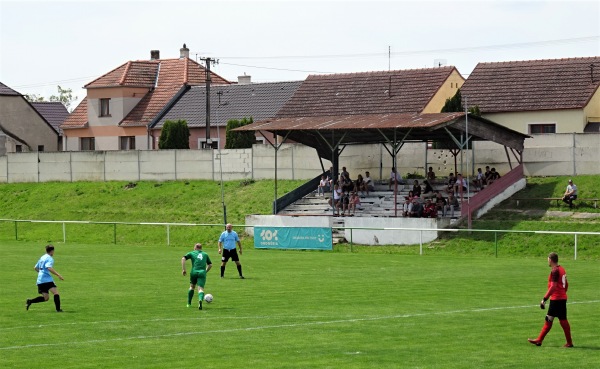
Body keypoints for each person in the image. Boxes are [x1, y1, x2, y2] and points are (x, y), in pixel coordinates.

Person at [528, 252, 573, 348]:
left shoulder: (555, 271)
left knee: (558, 320)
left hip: (556, 299)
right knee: (554, 319)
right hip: (560, 298)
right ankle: (539, 340)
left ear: (550, 260)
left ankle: (568, 342)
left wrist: (544, 299)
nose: (547, 261)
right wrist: (563, 293)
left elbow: (553, 287)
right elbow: (567, 284)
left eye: (548, 259)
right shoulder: (562, 269)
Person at [26, 244, 64, 312]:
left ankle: (30, 301)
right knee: (56, 293)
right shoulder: (50, 258)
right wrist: (58, 275)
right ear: (52, 251)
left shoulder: (42, 257)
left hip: (40, 280)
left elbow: (35, 268)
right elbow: (49, 267)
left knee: (46, 298)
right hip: (47, 280)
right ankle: (58, 310)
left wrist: (41, 273)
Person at [182, 243, 212, 310]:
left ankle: (189, 303)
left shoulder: (192, 253)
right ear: (201, 248)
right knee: (201, 289)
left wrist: (184, 269)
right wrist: (205, 271)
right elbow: (210, 265)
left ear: (195, 247)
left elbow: (183, 259)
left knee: (192, 287)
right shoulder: (205, 254)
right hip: (202, 272)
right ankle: (200, 300)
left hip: (194, 272)